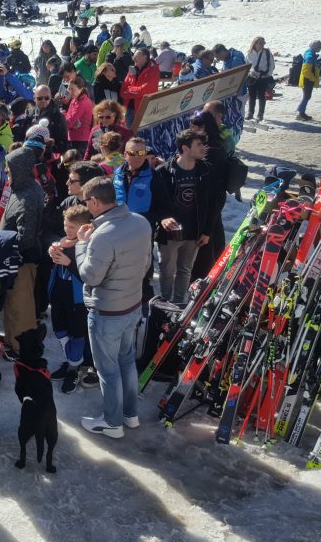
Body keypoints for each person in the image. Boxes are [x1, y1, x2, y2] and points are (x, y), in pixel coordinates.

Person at [75, 177, 152, 438]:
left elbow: (90, 277)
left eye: (86, 202)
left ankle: (112, 422)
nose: (86, 207)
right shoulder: (141, 222)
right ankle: (130, 416)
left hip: (107, 312)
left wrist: (81, 245)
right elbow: (146, 264)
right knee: (127, 362)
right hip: (132, 306)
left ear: (95, 201)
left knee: (108, 371)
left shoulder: (102, 236)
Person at [156, 130, 217, 305]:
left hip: (194, 232)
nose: (203, 148)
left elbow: (213, 205)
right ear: (185, 148)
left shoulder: (206, 170)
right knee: (166, 271)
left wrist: (207, 231)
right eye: (199, 144)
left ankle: (178, 304)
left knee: (185, 270)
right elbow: (155, 203)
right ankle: (165, 303)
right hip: (169, 234)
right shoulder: (164, 172)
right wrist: (163, 218)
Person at [0, 147, 44, 358]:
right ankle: (10, 340)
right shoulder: (20, 188)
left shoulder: (29, 197)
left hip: (22, 261)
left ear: (21, 170)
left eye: (9, 171)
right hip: (12, 259)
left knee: (21, 307)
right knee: (12, 303)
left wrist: (6, 245)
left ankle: (20, 348)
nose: (7, 174)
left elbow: (26, 237)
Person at [46, 205, 92, 391]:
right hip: (59, 295)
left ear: (84, 228)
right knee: (59, 329)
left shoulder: (88, 246)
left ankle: (74, 368)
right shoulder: (63, 241)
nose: (67, 230)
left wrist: (69, 263)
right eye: (66, 225)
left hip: (77, 299)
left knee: (77, 333)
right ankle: (74, 360)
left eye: (72, 227)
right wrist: (52, 252)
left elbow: (90, 276)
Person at [120, 48, 160, 127]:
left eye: (136, 57)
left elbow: (144, 90)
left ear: (145, 57)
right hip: (130, 109)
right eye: (133, 57)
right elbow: (122, 91)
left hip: (144, 110)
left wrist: (129, 90)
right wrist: (135, 91)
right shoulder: (133, 70)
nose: (133, 59)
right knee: (129, 136)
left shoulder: (153, 70)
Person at [245, 36, 275, 122]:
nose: (262, 44)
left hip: (263, 77)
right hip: (252, 77)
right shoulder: (249, 53)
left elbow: (272, 64)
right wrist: (250, 73)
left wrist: (268, 75)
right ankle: (250, 113)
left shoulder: (267, 52)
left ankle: (260, 114)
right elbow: (246, 65)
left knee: (262, 96)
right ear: (255, 43)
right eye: (260, 43)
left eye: (263, 43)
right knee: (252, 96)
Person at [297, 40, 321, 121]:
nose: (320, 48)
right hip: (307, 80)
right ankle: (301, 113)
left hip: (307, 79)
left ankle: (301, 112)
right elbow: (306, 71)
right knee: (307, 96)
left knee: (307, 96)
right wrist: (314, 78)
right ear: (316, 47)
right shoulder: (310, 56)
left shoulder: (310, 53)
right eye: (320, 47)